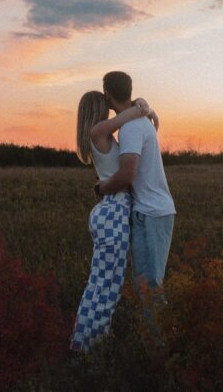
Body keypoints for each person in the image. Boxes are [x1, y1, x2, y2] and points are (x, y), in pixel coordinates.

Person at [69, 90, 159, 352]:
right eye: (105, 105)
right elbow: (132, 113)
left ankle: (85, 343)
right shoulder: (98, 131)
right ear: (98, 108)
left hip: (112, 211)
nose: (109, 109)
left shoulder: (100, 135)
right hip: (113, 211)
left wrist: (144, 106)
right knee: (106, 288)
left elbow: (133, 113)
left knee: (101, 285)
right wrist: (145, 107)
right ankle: (87, 349)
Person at [95, 71, 176, 290]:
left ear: (107, 95)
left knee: (149, 286)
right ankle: (152, 325)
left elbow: (127, 174)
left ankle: (161, 325)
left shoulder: (130, 128)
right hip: (149, 211)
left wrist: (102, 188)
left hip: (153, 212)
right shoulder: (139, 120)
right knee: (144, 284)